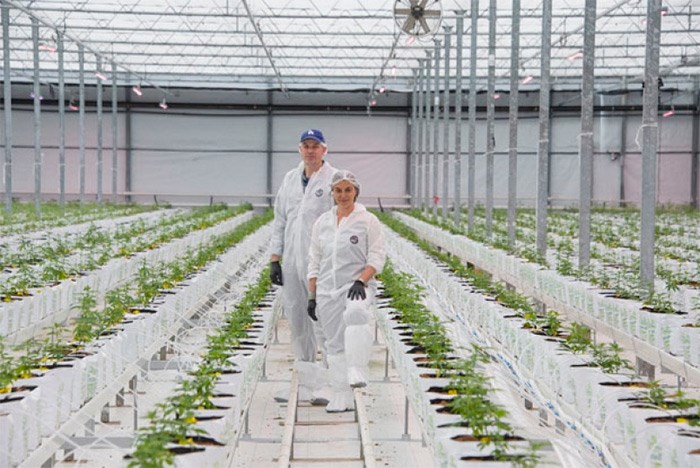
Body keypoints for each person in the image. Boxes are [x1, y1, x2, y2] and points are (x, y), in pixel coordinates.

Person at [305, 170, 386, 412]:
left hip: (356, 287)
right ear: (332, 193)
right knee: (333, 344)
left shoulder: (368, 220)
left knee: (357, 314)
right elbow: (314, 261)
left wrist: (361, 280)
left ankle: (358, 367)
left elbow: (377, 255)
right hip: (327, 290)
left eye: (348, 190)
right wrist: (312, 296)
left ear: (356, 192)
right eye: (338, 190)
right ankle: (341, 394)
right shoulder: (323, 222)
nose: (343, 195)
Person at [270, 129, 338, 402]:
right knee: (298, 321)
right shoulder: (289, 179)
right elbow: (279, 221)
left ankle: (333, 385)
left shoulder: (334, 178)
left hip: (320, 263)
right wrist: (275, 259)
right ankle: (307, 385)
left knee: (324, 322)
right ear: (300, 149)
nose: (310, 151)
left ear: (324, 150)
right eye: (306, 146)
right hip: (291, 261)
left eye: (315, 146)